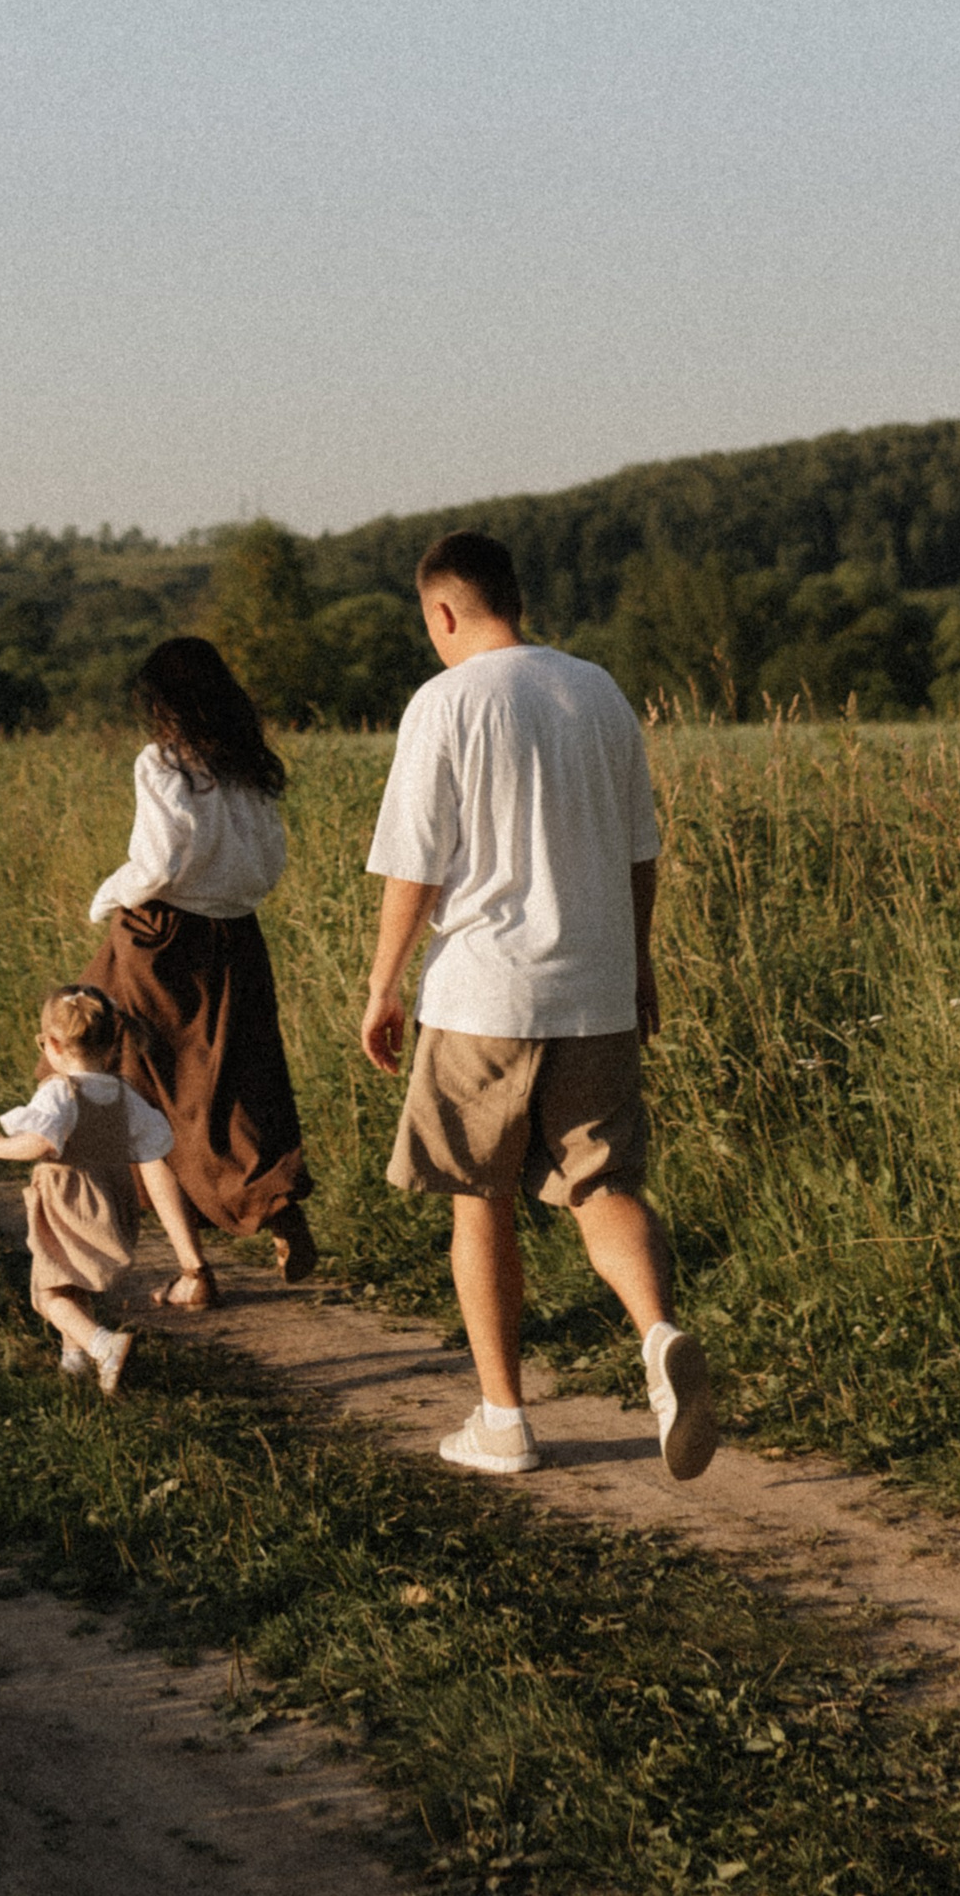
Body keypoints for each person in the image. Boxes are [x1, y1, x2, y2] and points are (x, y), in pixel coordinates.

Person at [361, 529, 717, 1482]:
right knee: (603, 1187)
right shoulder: (596, 689)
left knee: (479, 1200)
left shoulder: (444, 702)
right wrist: (637, 964)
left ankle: (504, 1420)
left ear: (443, 610)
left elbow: (413, 865)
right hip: (597, 986)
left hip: (485, 992)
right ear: (514, 595)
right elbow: (643, 846)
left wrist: (383, 982)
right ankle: (658, 1337)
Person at [81, 636, 316, 1310]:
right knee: (233, 1075)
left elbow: (157, 859)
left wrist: (108, 894)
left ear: (162, 702)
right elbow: (269, 861)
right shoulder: (244, 767)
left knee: (137, 1090)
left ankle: (193, 1267)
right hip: (236, 933)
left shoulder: (161, 763)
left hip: (161, 935)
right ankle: (269, 1198)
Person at [0, 983, 206, 1390]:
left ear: (51, 1044)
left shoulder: (60, 1092)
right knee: (73, 1282)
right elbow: (156, 1141)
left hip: (67, 1201)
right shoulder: (123, 1094)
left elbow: (41, 1143)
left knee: (48, 1293)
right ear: (113, 1042)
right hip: (112, 1198)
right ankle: (74, 1359)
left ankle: (103, 1345)